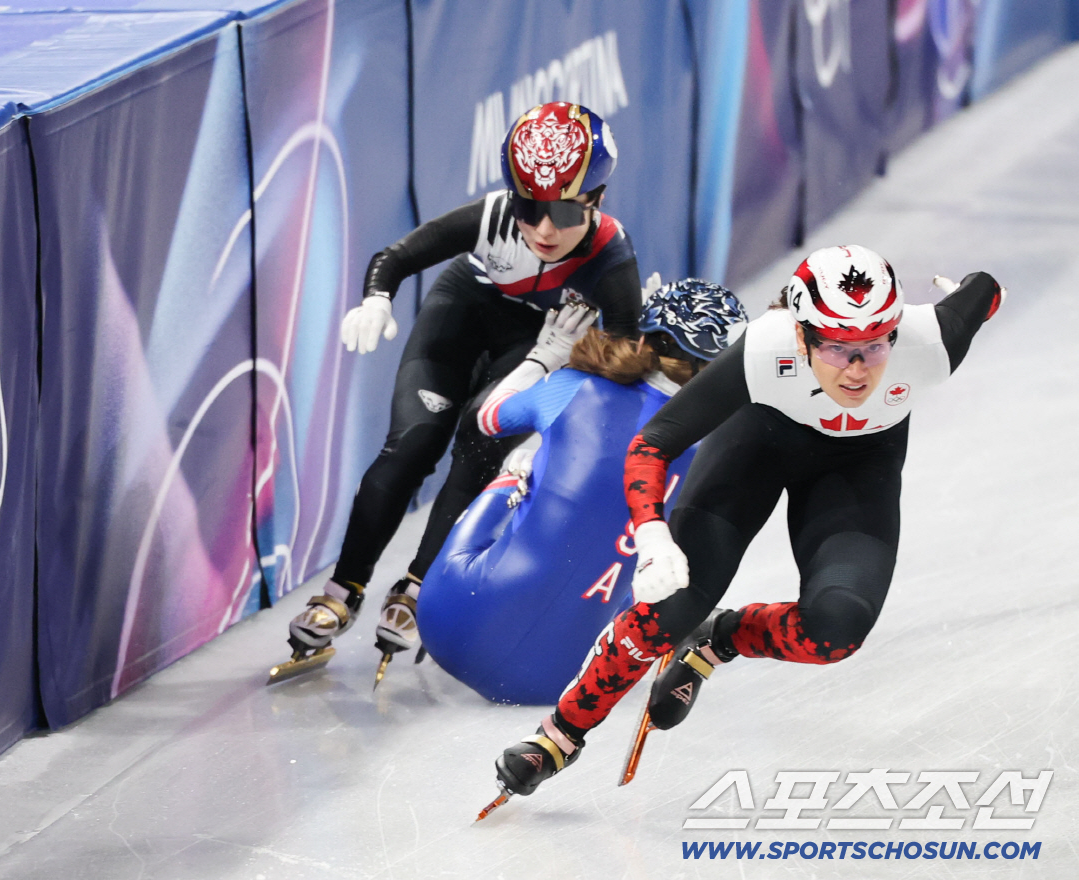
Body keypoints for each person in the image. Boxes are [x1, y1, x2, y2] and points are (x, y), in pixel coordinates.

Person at [486, 245, 1004, 805]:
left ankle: (720, 637)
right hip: (758, 444)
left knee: (835, 631)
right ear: (801, 334)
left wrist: (959, 296)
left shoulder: (929, 343)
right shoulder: (764, 347)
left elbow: (985, 289)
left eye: (874, 346)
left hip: (858, 465)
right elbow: (651, 445)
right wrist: (654, 538)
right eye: (836, 347)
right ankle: (561, 733)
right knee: (669, 608)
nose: (857, 369)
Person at [269, 102, 643, 684]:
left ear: (595, 200)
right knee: (409, 450)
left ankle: (418, 586)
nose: (544, 229)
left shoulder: (614, 261)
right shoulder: (493, 215)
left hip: (536, 344)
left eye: (565, 210)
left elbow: (620, 372)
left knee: (477, 444)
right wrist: (377, 298)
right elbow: (395, 256)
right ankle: (344, 587)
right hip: (463, 313)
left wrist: (556, 375)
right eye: (530, 208)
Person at [416, 281, 748, 703]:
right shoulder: (717, 446)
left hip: (447, 621)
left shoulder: (574, 386)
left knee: (522, 464)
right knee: (659, 554)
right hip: (563, 677)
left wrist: (545, 356)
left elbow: (489, 418)